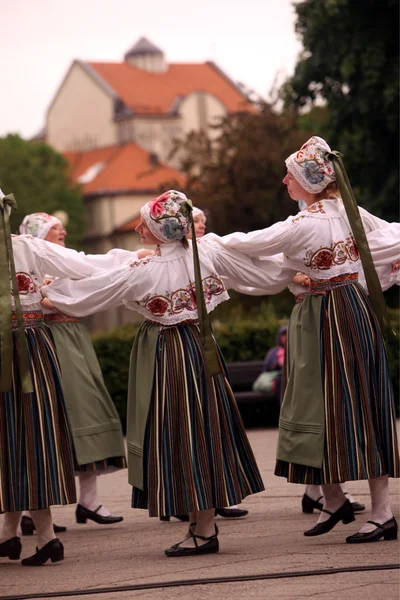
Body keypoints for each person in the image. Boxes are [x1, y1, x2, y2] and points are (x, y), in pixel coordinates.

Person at [42, 190, 294, 556]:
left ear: (161, 229)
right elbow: (260, 271)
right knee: (201, 429)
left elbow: (97, 291)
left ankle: (204, 529)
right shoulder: (203, 253)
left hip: (170, 354)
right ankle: (200, 522)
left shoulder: (149, 270)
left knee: (180, 432)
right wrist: (297, 267)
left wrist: (48, 298)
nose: (137, 227)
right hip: (201, 347)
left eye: (144, 222)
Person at [204, 136, 400, 543]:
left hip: (327, 313)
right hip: (351, 309)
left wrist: (202, 245)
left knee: (324, 403)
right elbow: (389, 237)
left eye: (290, 175)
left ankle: (377, 512)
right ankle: (339, 500)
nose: (283, 180)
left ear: (308, 181)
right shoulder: (350, 212)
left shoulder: (304, 223)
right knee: (352, 401)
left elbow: (252, 243)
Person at [0, 193, 115, 566]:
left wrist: (134, 263)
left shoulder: (27, 247)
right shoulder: (27, 247)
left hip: (24, 350)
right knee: (18, 439)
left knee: (24, 438)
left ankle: (44, 537)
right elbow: (81, 264)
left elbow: (83, 264)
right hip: (29, 344)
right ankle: (12, 535)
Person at [18, 213, 126, 531]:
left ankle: (88, 500)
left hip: (74, 340)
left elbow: (99, 264)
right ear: (38, 236)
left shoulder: (66, 261)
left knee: (87, 411)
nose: (63, 230)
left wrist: (137, 258)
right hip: (49, 341)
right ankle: (30, 512)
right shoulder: (28, 260)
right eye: (55, 229)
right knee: (55, 419)